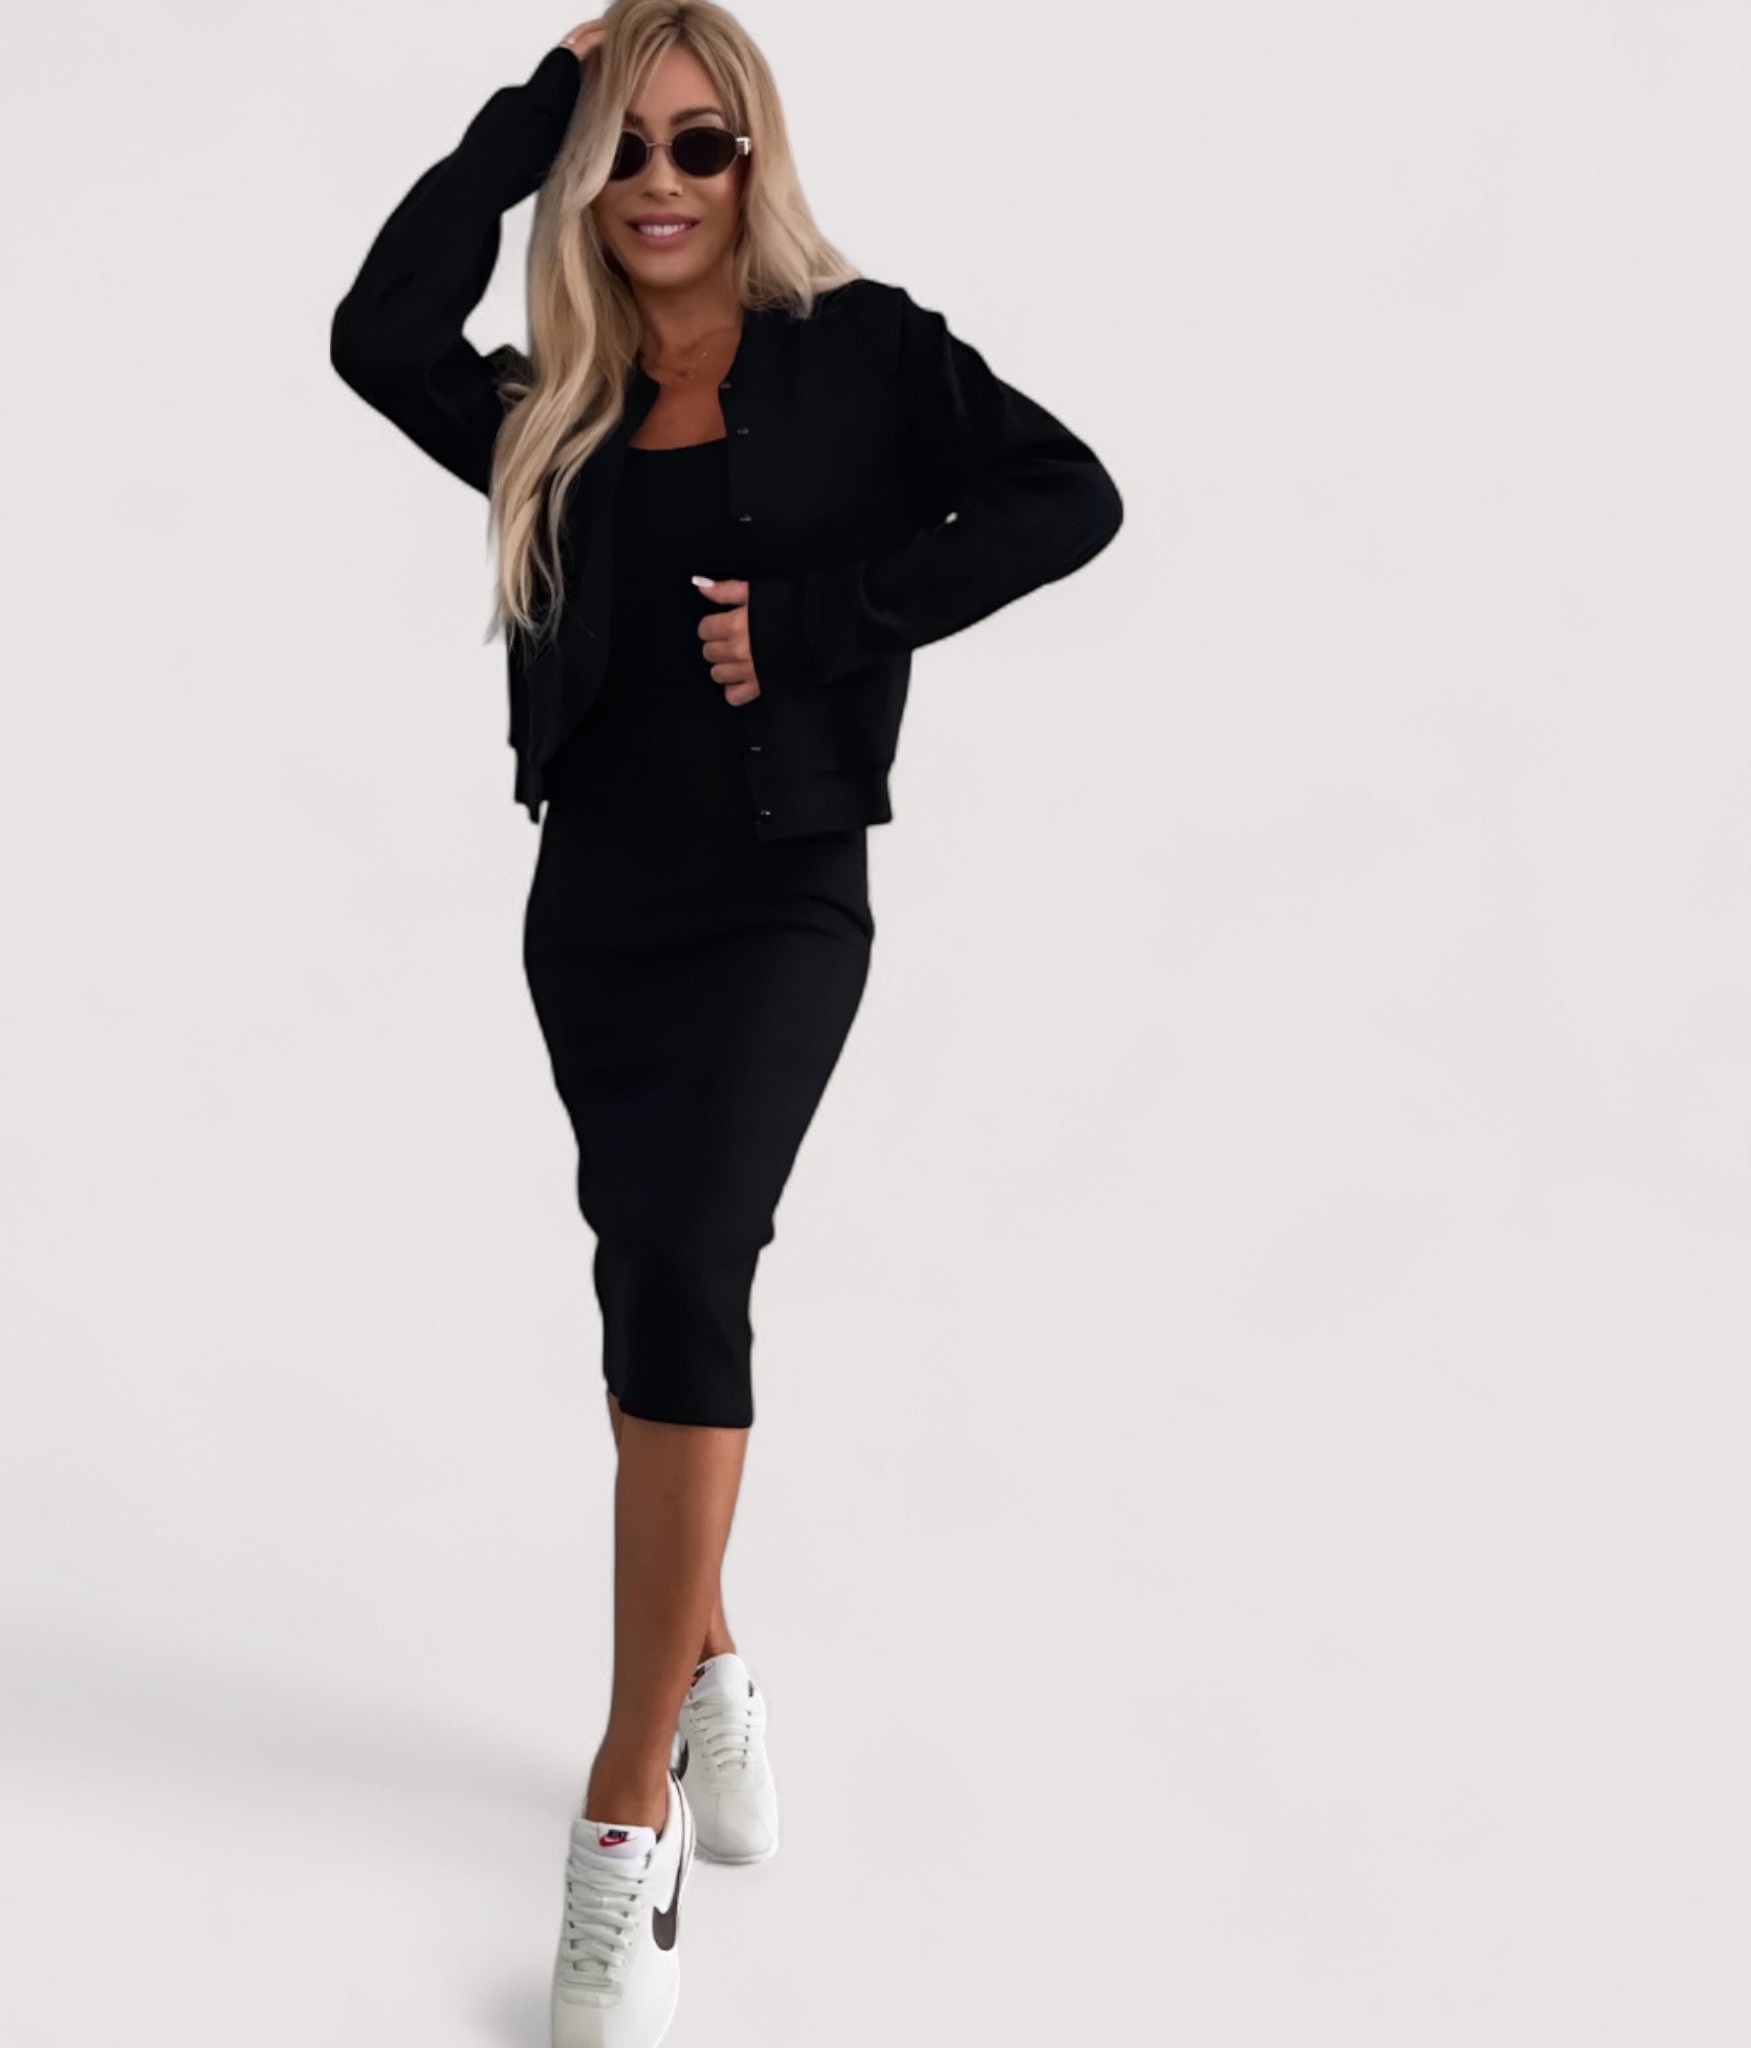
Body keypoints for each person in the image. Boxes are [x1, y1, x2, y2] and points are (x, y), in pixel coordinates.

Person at [329, 6, 1124, 2041]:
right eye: (625, 149)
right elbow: (374, 331)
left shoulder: (864, 355)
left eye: (700, 143)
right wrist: (535, 107)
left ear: (756, 159)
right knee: (643, 1289)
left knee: (690, 1264)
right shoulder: (555, 405)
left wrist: (827, 624)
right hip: (593, 914)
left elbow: (1067, 496)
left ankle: (626, 1810)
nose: (661, 183)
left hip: (780, 901)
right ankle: (706, 1663)